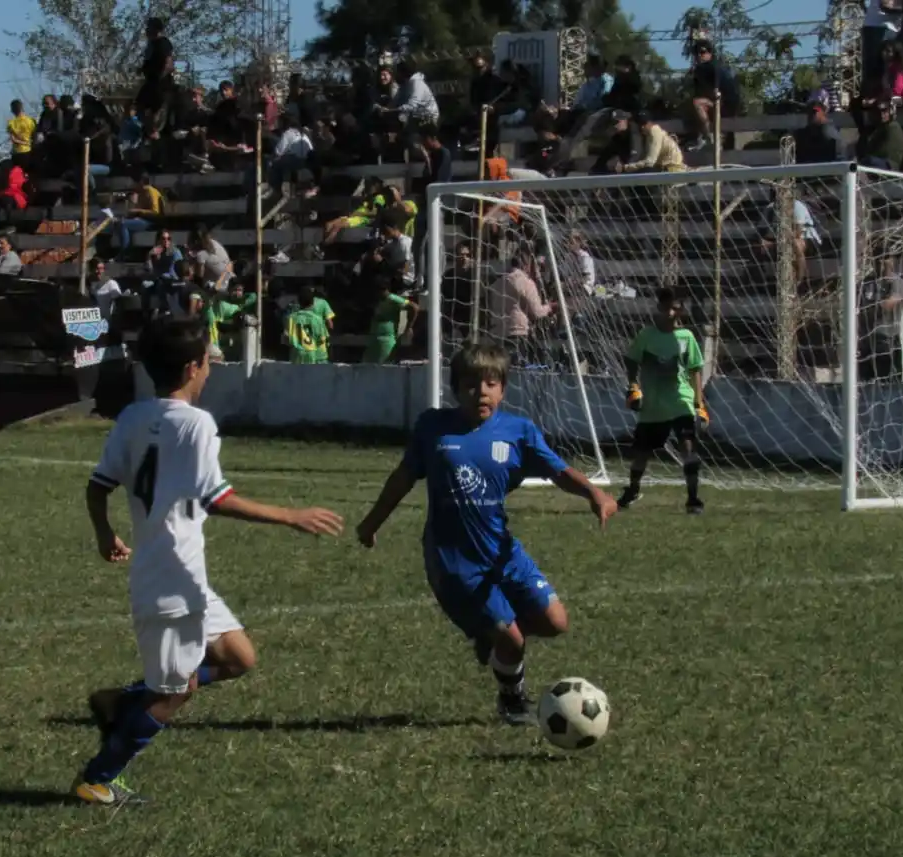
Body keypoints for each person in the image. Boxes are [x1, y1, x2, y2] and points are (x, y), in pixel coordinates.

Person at [73, 319, 344, 806]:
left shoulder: (132, 416)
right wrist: (291, 516)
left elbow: (98, 487)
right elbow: (215, 499)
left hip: (183, 578)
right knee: (174, 694)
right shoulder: (196, 423)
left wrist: (104, 533)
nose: (210, 371)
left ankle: (121, 700)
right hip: (170, 584)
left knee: (239, 658)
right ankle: (96, 779)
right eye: (207, 363)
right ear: (192, 368)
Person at [355, 342, 615, 724]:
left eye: (491, 384)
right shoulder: (433, 427)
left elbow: (559, 471)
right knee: (513, 640)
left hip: (501, 549)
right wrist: (371, 523)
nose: (482, 392)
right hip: (454, 559)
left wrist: (594, 494)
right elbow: (403, 478)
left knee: (556, 622)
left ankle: (490, 637)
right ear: (455, 389)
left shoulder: (518, 432)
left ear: (503, 389)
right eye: (471, 384)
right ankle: (512, 700)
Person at [616, 288, 708, 515]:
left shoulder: (686, 337)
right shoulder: (646, 336)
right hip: (653, 406)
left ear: (681, 310)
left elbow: (695, 370)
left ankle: (693, 499)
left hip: (681, 402)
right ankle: (633, 490)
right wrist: (633, 385)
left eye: (675, 308)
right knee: (641, 454)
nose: (670, 313)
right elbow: (631, 360)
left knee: (688, 448)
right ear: (658, 308)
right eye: (666, 308)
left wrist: (699, 404)